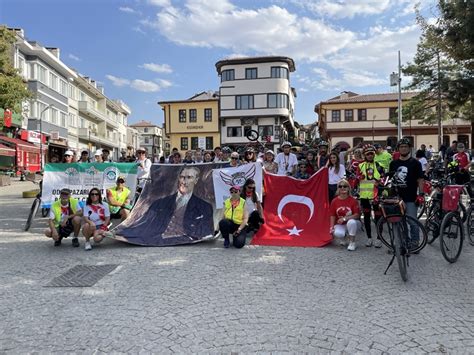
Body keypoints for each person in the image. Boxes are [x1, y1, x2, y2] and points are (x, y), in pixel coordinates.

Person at [119, 166, 214, 243]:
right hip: (157, 238)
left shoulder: (205, 207)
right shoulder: (159, 203)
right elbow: (145, 223)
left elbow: (205, 230)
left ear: (196, 180)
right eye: (181, 177)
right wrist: (122, 232)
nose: (183, 181)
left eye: (189, 177)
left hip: (184, 238)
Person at [389, 138, 425, 250]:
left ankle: (415, 243)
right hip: (397, 197)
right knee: (399, 221)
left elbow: (420, 180)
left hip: (411, 197)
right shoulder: (393, 163)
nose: (403, 148)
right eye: (401, 147)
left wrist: (421, 194)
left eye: (406, 146)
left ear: (409, 148)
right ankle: (404, 242)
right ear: (398, 149)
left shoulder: (416, 163)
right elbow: (390, 180)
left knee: (412, 221)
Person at [357, 144, 385, 247]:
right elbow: (356, 179)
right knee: (367, 218)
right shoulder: (360, 166)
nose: (370, 156)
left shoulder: (378, 165)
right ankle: (369, 238)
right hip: (364, 196)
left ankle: (379, 238)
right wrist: (359, 177)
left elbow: (384, 179)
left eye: (371, 154)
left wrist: (380, 181)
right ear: (364, 155)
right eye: (367, 154)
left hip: (376, 195)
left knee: (378, 217)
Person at [329, 179, 361, 251]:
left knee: (351, 222)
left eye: (345, 186)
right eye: (340, 186)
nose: (342, 188)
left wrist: (345, 218)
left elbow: (357, 215)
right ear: (338, 189)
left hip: (354, 223)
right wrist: (331, 227)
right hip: (341, 224)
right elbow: (332, 215)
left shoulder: (353, 200)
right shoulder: (334, 201)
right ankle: (344, 238)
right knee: (337, 233)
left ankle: (352, 242)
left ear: (348, 188)